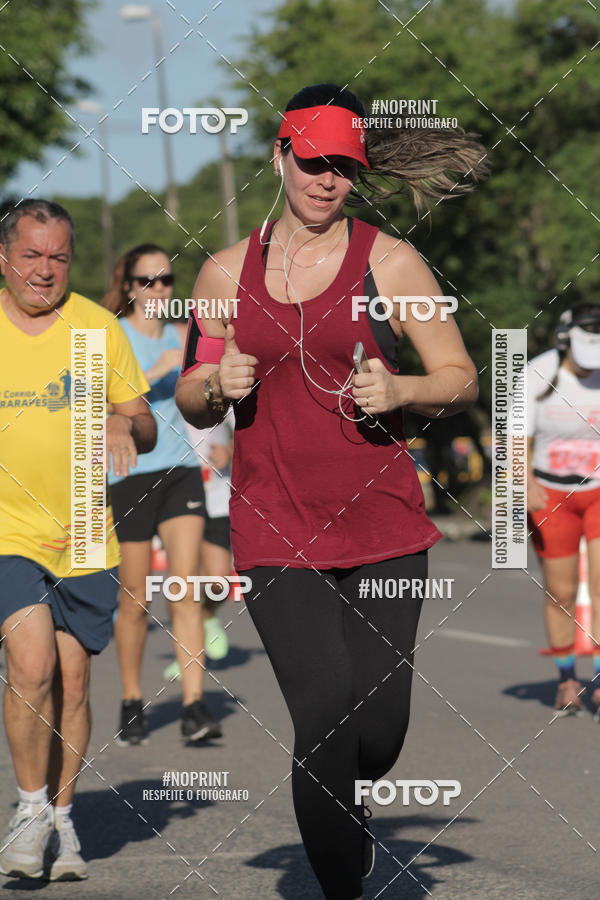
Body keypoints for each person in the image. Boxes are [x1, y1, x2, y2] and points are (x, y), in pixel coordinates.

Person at [175, 84, 485, 900]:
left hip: (383, 525)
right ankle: (343, 885)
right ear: (279, 156)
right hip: (274, 524)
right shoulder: (222, 270)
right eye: (312, 163)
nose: (326, 181)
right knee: (325, 718)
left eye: (344, 167)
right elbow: (189, 389)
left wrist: (403, 392)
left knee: (377, 732)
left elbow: (459, 375)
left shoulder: (391, 261)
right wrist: (215, 382)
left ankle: (349, 800)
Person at [0, 199, 155, 881]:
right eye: (31, 256)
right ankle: (29, 813)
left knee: (74, 676)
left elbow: (144, 421)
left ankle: (63, 816)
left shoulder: (96, 328)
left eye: (58, 257)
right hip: (8, 528)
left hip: (88, 528)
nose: (45, 270)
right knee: (30, 666)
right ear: (4, 258)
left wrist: (126, 427)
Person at [102, 246, 222, 745]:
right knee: (133, 598)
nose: (159, 289)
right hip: (129, 474)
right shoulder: (115, 335)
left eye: (167, 280)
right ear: (129, 286)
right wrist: (153, 374)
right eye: (147, 280)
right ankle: (132, 698)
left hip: (180, 470)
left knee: (185, 588)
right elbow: (100, 402)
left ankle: (194, 707)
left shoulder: (182, 335)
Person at [526, 303, 600, 715]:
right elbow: (513, 433)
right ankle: (567, 679)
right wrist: (523, 482)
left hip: (599, 490)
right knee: (562, 592)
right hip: (551, 494)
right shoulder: (538, 373)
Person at [163, 402, 234, 683]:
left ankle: (206, 617)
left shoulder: (214, 380)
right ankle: (185, 656)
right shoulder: (164, 380)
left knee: (220, 581)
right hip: (176, 494)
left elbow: (247, 427)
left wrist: (230, 450)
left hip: (215, 493)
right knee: (182, 580)